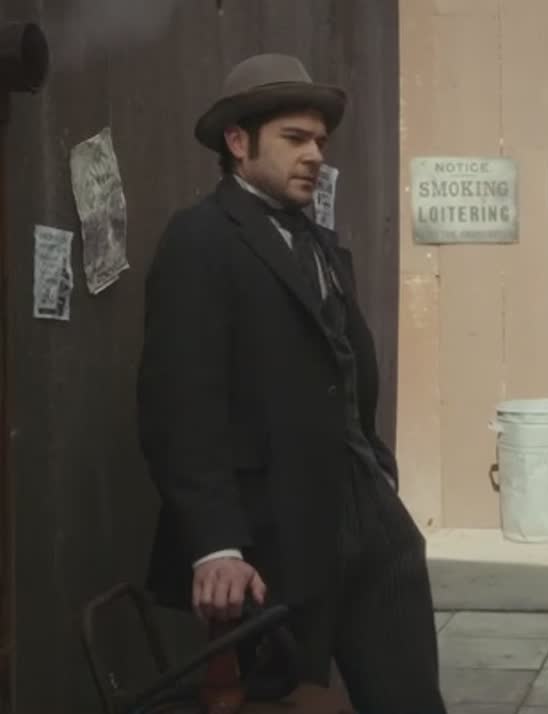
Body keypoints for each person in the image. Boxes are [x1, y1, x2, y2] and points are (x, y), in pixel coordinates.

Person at [137, 53, 447, 713]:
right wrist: (215, 543)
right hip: (270, 528)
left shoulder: (319, 243)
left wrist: (376, 468)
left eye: (320, 143)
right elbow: (179, 405)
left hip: (364, 508)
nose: (314, 156)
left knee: (409, 693)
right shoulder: (201, 239)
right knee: (283, 700)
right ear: (238, 142)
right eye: (294, 139)